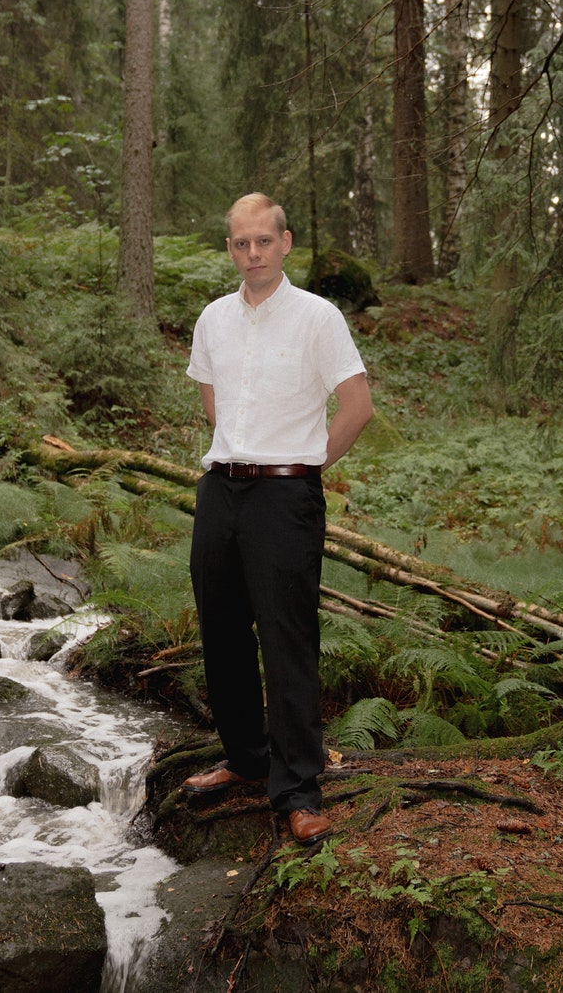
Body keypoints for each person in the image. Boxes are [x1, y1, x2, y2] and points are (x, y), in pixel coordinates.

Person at [182, 192, 373, 845]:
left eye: (264, 241)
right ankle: (243, 759)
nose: (253, 254)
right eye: (241, 243)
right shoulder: (213, 319)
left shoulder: (318, 318)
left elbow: (357, 403)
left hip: (285, 496)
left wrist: (306, 463)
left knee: (288, 638)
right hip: (221, 490)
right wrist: (241, 452)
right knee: (223, 628)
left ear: (285, 242)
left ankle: (297, 788)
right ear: (230, 247)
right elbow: (214, 403)